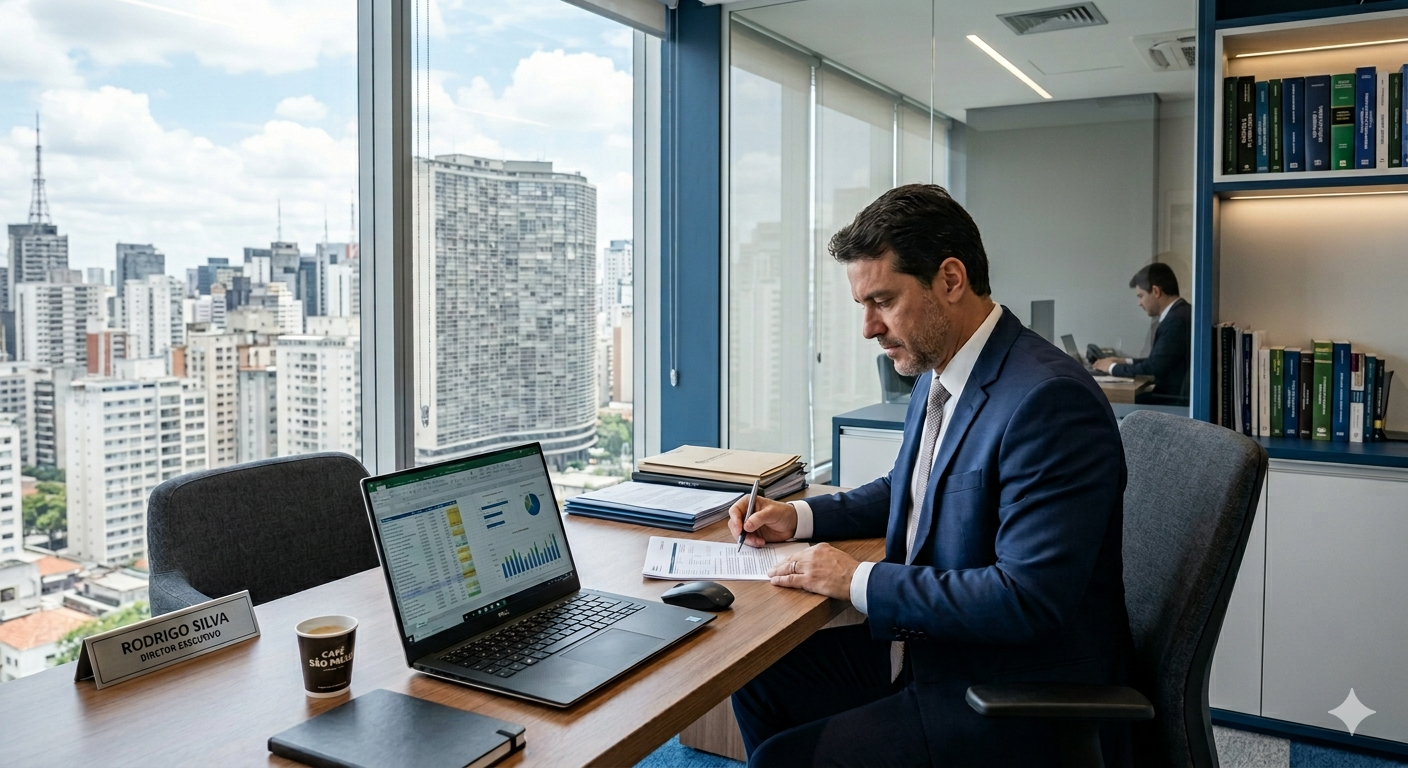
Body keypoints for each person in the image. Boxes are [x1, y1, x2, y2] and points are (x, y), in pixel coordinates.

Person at [728, 184, 1133, 767]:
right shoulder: (937, 374)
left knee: (784, 760)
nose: (868, 327)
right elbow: (909, 489)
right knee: (760, 677)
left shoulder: (1048, 400)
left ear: (949, 279)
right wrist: (799, 516)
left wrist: (858, 580)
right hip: (931, 648)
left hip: (1009, 690)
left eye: (884, 301)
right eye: (863, 306)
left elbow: (1026, 599)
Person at [1094, 263, 1191, 403]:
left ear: (1156, 291)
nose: (1139, 303)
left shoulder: (1175, 320)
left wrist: (1111, 368)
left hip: (1170, 402)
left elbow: (1153, 368)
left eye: (1141, 296)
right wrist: (1123, 361)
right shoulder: (1182, 312)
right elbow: (1159, 361)